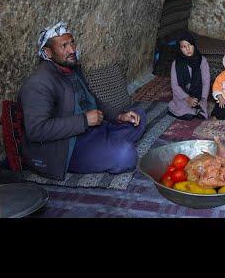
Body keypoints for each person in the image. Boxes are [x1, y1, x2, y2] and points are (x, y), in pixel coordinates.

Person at [18, 22, 148, 181]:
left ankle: (107, 147)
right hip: (69, 147)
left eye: (72, 42)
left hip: (95, 131)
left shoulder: (72, 69)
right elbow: (37, 130)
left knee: (139, 115)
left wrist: (119, 116)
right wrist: (84, 120)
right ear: (48, 52)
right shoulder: (39, 83)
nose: (72, 50)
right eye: (64, 46)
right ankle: (111, 149)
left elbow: (93, 101)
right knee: (126, 155)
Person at [168, 31, 210, 120]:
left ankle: (198, 107)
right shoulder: (176, 64)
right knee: (187, 114)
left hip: (199, 96)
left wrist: (203, 99)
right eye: (184, 47)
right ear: (180, 49)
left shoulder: (202, 61)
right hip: (183, 97)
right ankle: (184, 109)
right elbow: (174, 86)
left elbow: (206, 82)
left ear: (193, 45)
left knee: (201, 111)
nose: (188, 49)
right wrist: (187, 98)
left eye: (189, 45)